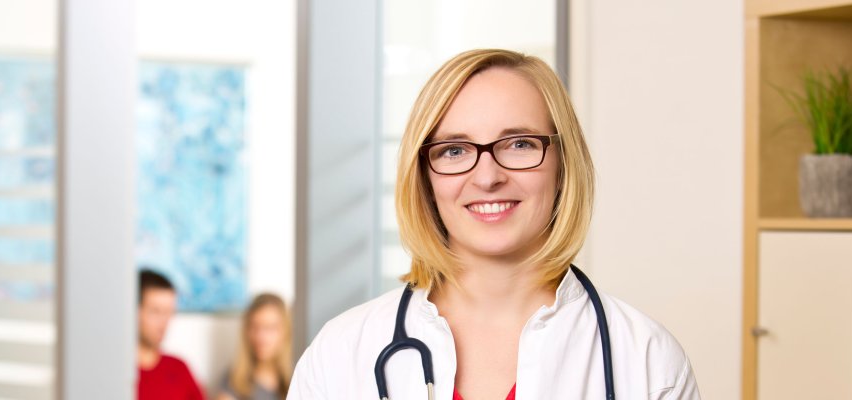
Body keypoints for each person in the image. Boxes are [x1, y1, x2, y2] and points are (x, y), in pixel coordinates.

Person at [287, 49, 700, 399]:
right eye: (453, 150)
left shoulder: (648, 360)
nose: (487, 177)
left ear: (563, 163)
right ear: (425, 177)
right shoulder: (339, 355)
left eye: (519, 143)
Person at [138, 269, 207, 400]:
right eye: (155, 311)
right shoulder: (115, 373)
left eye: (169, 312)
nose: (164, 322)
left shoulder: (179, 369)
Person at [216, 293, 293, 400]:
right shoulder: (233, 381)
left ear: (285, 332)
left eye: (270, 328)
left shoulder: (298, 378)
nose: (260, 336)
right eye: (255, 327)